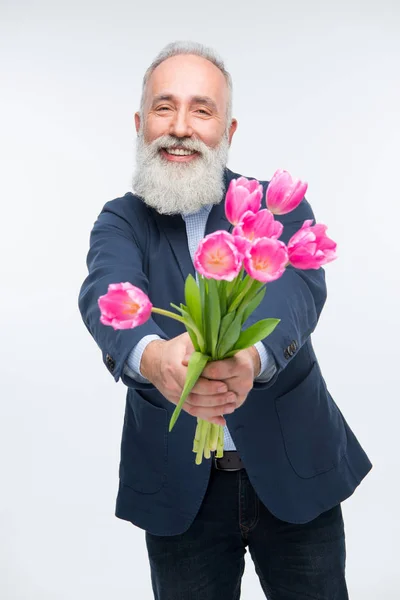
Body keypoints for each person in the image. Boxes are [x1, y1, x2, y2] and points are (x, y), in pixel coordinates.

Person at [78, 41, 372, 600]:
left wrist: (248, 359)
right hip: (179, 488)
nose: (181, 127)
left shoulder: (272, 205)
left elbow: (295, 291)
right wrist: (155, 356)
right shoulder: (120, 220)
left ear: (228, 129)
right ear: (141, 123)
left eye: (202, 110)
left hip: (293, 467)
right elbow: (103, 292)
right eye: (164, 108)